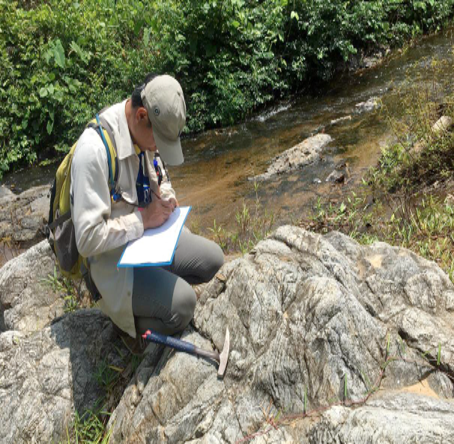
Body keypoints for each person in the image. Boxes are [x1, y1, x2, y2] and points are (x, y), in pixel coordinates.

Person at [70, 73, 224, 351]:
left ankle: (158, 289)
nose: (158, 149)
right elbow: (86, 239)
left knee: (213, 259)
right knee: (184, 306)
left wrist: (166, 197)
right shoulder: (93, 151)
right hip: (114, 263)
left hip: (149, 241)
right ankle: (125, 327)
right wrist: (142, 219)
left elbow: (160, 176)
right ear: (141, 115)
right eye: (159, 141)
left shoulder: (143, 130)